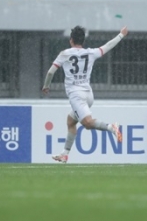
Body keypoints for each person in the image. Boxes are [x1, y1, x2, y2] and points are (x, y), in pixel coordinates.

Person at [42, 26, 128, 164]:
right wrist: (121, 35)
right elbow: (107, 46)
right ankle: (65, 154)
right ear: (82, 41)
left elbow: (51, 72)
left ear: (71, 40)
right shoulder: (91, 52)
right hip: (88, 95)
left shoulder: (65, 53)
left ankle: (112, 127)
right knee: (71, 121)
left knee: (87, 123)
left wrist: (46, 86)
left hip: (76, 96)